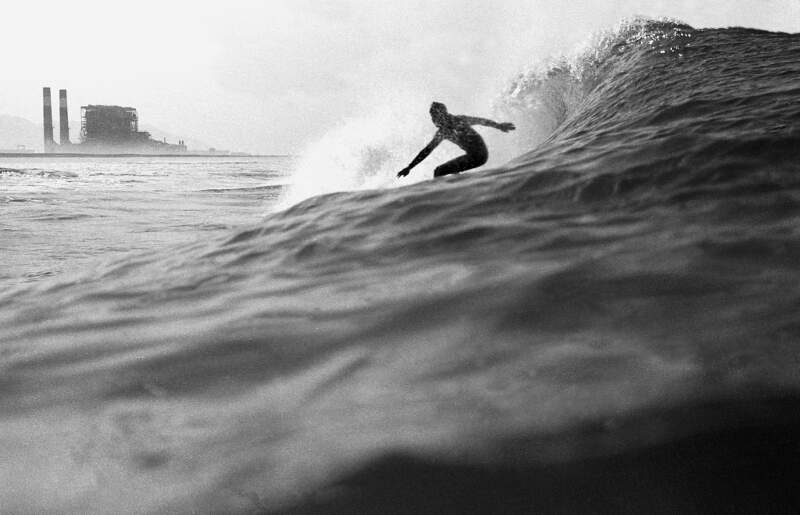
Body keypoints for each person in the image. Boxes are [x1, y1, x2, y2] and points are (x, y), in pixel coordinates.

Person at [397, 102, 515, 179]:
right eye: (431, 117)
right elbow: (427, 150)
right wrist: (410, 167)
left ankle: (445, 195)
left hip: (479, 155)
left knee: (439, 171)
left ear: (442, 114)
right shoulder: (443, 131)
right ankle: (459, 186)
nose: (432, 120)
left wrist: (499, 126)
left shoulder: (458, 120)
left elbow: (481, 121)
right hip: (475, 156)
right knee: (446, 170)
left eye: (434, 116)